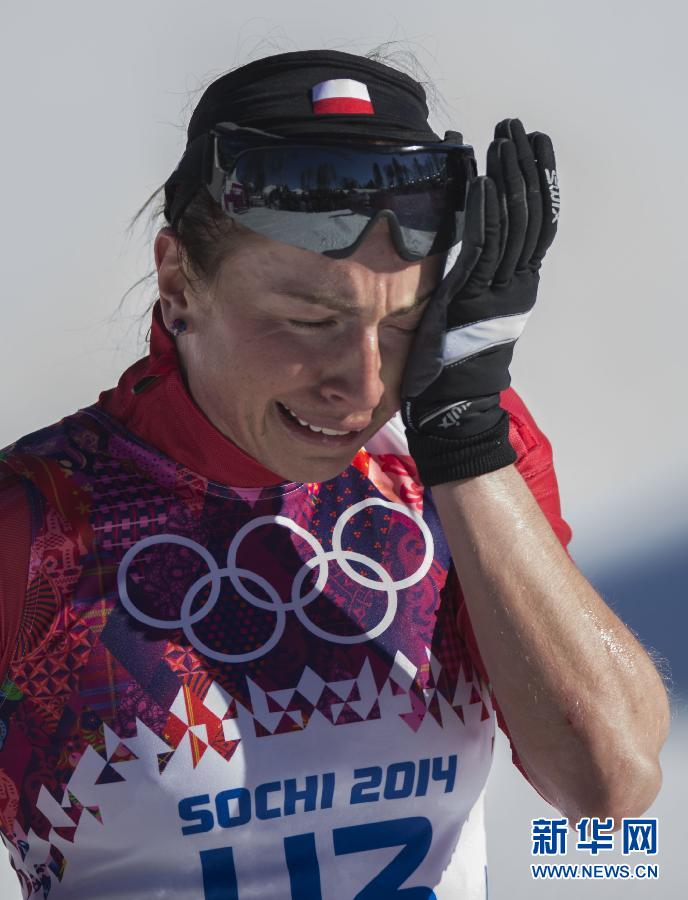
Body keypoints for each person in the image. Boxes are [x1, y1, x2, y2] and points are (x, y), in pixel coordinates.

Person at [0, 49, 669, 899]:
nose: (361, 383)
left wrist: (466, 442)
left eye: (403, 326)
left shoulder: (454, 460)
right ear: (178, 282)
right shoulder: (39, 520)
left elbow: (608, 784)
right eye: (310, 321)